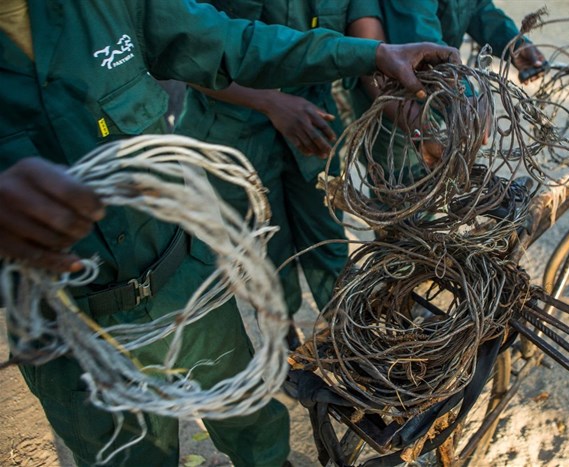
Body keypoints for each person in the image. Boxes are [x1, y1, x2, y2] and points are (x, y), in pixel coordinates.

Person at [0, 1, 459, 465]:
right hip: (67, 327)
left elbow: (232, 42)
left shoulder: (109, 7)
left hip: (182, 286)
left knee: (253, 425)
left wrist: (374, 54)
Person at [176, 0, 385, 349]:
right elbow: (187, 55)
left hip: (314, 122)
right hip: (233, 129)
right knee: (263, 249)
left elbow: (364, 31)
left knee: (327, 234)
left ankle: (351, 334)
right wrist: (271, 103)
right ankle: (284, 339)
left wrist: (390, 80)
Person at [344, 0, 546, 170]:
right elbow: (419, 33)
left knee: (439, 175)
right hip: (394, 101)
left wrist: (515, 44)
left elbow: (477, 8)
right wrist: (464, 95)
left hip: (443, 90)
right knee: (404, 186)